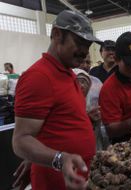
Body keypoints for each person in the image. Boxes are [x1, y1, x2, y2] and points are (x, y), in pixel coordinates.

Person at [12, 10, 102, 190]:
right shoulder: (38, 77)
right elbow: (21, 140)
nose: (84, 51)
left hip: (76, 179)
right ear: (56, 34)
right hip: (56, 182)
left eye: (88, 44)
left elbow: (53, 125)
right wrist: (59, 158)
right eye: (79, 42)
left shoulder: (67, 73)